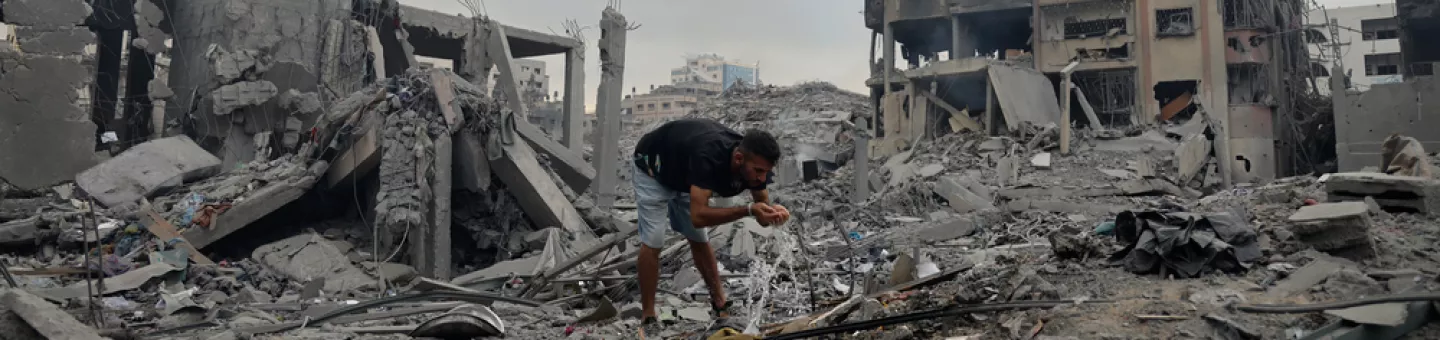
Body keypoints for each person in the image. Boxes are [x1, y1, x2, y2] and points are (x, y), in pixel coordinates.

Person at [630, 118, 791, 338]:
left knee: (699, 238)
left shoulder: (755, 165)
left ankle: (720, 304)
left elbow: (762, 214)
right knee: (654, 239)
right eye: (758, 171)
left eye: (766, 172)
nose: (762, 178)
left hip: (686, 176)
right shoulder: (709, 156)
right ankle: (648, 315)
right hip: (653, 168)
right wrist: (748, 210)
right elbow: (699, 216)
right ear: (738, 159)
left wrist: (775, 214)